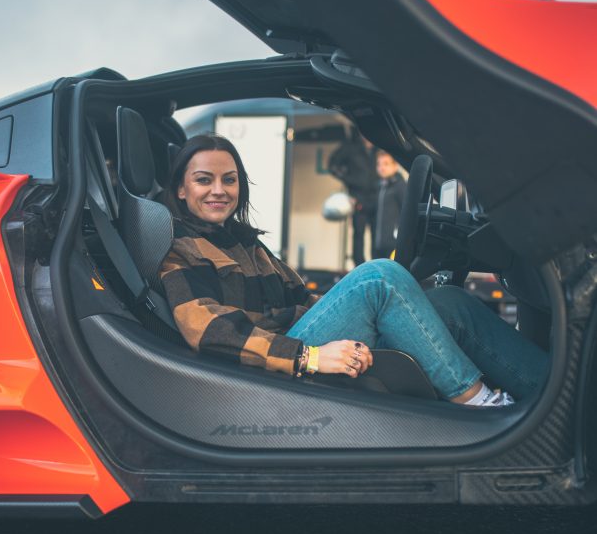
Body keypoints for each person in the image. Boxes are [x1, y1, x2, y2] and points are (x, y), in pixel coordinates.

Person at [158, 135, 549, 407]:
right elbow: (209, 332)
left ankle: (555, 396)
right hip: (265, 371)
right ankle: (483, 404)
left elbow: (302, 299)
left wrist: (400, 302)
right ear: (180, 189)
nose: (219, 190)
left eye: (229, 179)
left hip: (296, 340)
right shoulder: (180, 248)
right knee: (380, 277)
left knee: (447, 302)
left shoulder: (244, 243)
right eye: (203, 180)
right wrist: (308, 356)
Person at [327, 130, 379, 265]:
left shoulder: (378, 147)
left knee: (377, 234)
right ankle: (359, 265)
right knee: (358, 234)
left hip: (377, 197)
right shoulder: (351, 148)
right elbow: (332, 165)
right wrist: (349, 180)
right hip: (358, 197)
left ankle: (376, 265)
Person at [372, 150, 407, 259]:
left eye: (386, 164)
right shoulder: (380, 186)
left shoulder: (400, 186)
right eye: (379, 164)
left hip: (393, 244)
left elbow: (407, 212)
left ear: (395, 166)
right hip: (378, 243)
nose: (381, 167)